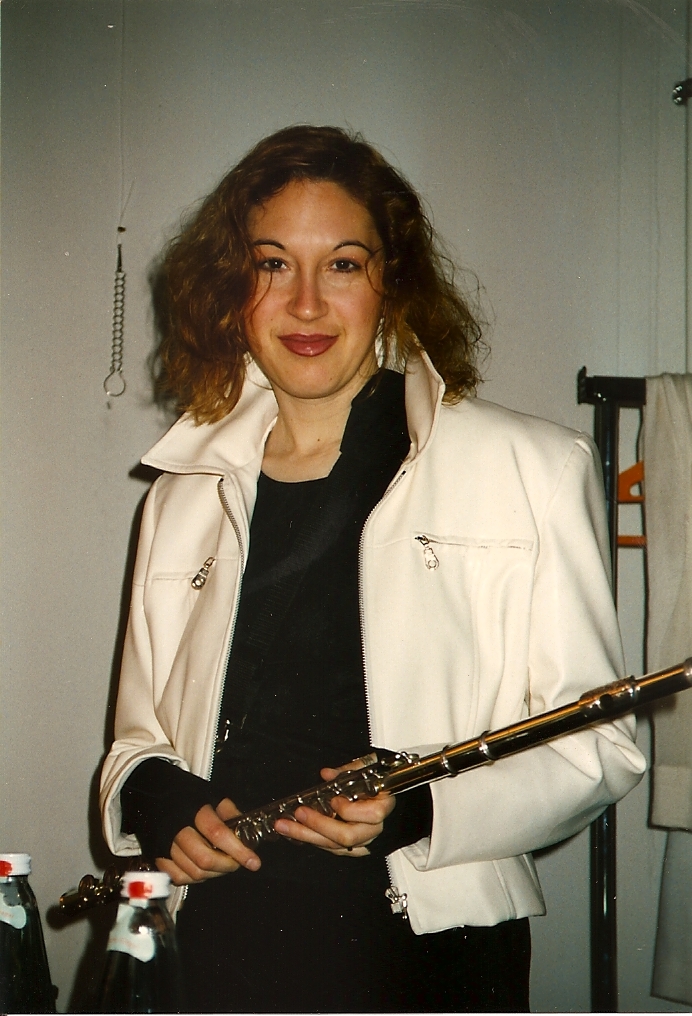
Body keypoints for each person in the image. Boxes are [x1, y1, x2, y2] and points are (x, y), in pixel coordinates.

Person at [100, 125, 646, 1013]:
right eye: (273, 264)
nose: (306, 303)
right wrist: (157, 801)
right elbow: (136, 742)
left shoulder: (532, 467)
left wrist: (423, 804)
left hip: (428, 953)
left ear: (392, 280)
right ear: (233, 287)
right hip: (221, 943)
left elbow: (600, 748)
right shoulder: (180, 495)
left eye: (343, 265)